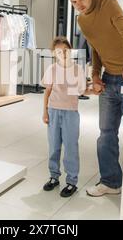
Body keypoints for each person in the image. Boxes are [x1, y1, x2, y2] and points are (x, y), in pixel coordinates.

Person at [66, 0, 123, 205]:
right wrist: (95, 75)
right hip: (109, 79)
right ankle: (111, 182)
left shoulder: (109, 5)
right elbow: (96, 48)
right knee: (105, 134)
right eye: (74, 2)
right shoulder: (82, 20)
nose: (80, 4)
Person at [41, 37, 89, 198]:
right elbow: (47, 91)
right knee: (53, 146)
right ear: (54, 54)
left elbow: (82, 91)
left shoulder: (77, 70)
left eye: (65, 50)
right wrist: (45, 111)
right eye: (59, 51)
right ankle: (54, 176)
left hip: (70, 113)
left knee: (70, 147)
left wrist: (94, 88)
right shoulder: (52, 69)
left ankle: (71, 181)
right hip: (53, 111)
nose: (63, 54)